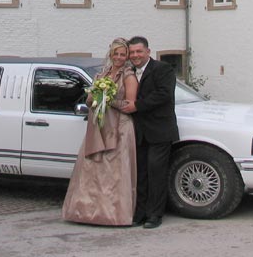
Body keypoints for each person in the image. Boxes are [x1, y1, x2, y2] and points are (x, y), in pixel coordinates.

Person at [62, 37, 139, 226]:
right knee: (92, 169)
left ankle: (115, 213)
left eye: (123, 54)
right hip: (99, 126)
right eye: (116, 54)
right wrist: (94, 97)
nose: (119, 57)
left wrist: (108, 99)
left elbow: (131, 104)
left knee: (115, 171)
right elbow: (89, 101)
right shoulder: (101, 75)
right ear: (110, 54)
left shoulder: (129, 76)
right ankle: (87, 211)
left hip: (120, 127)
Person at [127, 35, 179, 229]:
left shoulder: (163, 69)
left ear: (148, 51)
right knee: (140, 174)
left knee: (156, 173)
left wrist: (137, 106)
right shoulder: (129, 71)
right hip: (139, 132)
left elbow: (164, 95)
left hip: (160, 131)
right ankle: (140, 214)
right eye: (132, 52)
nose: (135, 55)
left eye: (139, 51)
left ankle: (155, 215)